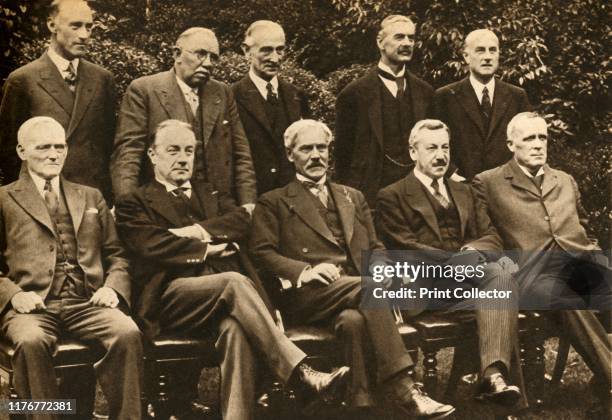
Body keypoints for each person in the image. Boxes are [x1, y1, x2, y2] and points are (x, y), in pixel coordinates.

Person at [115, 119, 349, 420]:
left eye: (189, 150)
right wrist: (208, 248)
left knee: (236, 329)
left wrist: (192, 232)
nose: (183, 158)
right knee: (234, 281)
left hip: (223, 300)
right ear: (152, 155)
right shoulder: (134, 202)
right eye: (172, 150)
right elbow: (150, 244)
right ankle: (301, 373)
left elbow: (241, 221)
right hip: (171, 298)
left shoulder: (209, 193)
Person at [250, 119, 455, 418]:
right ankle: (406, 389)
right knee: (369, 288)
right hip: (310, 295)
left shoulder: (352, 196)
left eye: (322, 148)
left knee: (353, 322)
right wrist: (304, 270)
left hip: (355, 293)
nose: (316, 155)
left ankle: (360, 406)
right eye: (306, 149)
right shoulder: (274, 201)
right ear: (290, 154)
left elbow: (375, 247)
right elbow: (261, 253)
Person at [0, 117, 142, 420]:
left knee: (126, 332)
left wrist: (112, 287)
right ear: (22, 151)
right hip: (32, 308)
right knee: (30, 341)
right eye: (44, 147)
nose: (54, 154)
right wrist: (14, 295)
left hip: (86, 302)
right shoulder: (4, 199)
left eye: (59, 146)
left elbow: (117, 254)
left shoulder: (90, 196)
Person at [376, 119, 524, 407]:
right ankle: (500, 390)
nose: (441, 155)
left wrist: (471, 249)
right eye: (431, 148)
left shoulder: (464, 191)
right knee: (501, 285)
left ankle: (493, 377)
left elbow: (491, 237)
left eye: (445, 147)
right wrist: (460, 261)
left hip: (468, 287)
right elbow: (405, 247)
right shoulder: (392, 195)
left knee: (501, 290)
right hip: (425, 290)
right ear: (412, 152)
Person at [473, 112, 611, 415]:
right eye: (529, 139)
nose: (538, 145)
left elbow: (583, 228)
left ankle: (604, 387)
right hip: (533, 275)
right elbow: (487, 236)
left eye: (542, 137)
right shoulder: (490, 183)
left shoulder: (564, 180)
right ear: (511, 144)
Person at [111, 27, 256, 208]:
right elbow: (128, 154)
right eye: (201, 54)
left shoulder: (222, 93)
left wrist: (248, 205)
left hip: (217, 206)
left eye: (214, 57)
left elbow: (241, 154)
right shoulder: (144, 90)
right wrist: (128, 206)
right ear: (177, 54)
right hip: (162, 207)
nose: (209, 63)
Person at [0, 0, 116, 202]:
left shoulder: (102, 79)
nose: (84, 35)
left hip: (91, 198)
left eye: (89, 27)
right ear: (52, 25)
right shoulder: (23, 79)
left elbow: (108, 144)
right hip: (43, 197)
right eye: (75, 25)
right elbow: (9, 151)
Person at [334, 15, 434, 206]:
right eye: (399, 37)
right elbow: (343, 157)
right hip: (371, 196)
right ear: (380, 42)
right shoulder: (354, 94)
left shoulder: (426, 92)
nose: (407, 43)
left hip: (418, 196)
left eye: (411, 38)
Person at [433, 29, 530, 181]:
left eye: (492, 51)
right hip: (461, 187)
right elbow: (433, 141)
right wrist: (451, 173)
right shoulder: (445, 96)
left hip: (508, 187)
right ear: (466, 56)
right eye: (480, 51)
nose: (487, 57)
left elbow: (527, 142)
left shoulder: (517, 96)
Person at [232, 20, 310, 195]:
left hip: (294, 199)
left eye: (280, 50)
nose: (275, 58)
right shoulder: (232, 97)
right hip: (254, 200)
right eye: (266, 50)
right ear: (246, 51)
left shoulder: (296, 95)